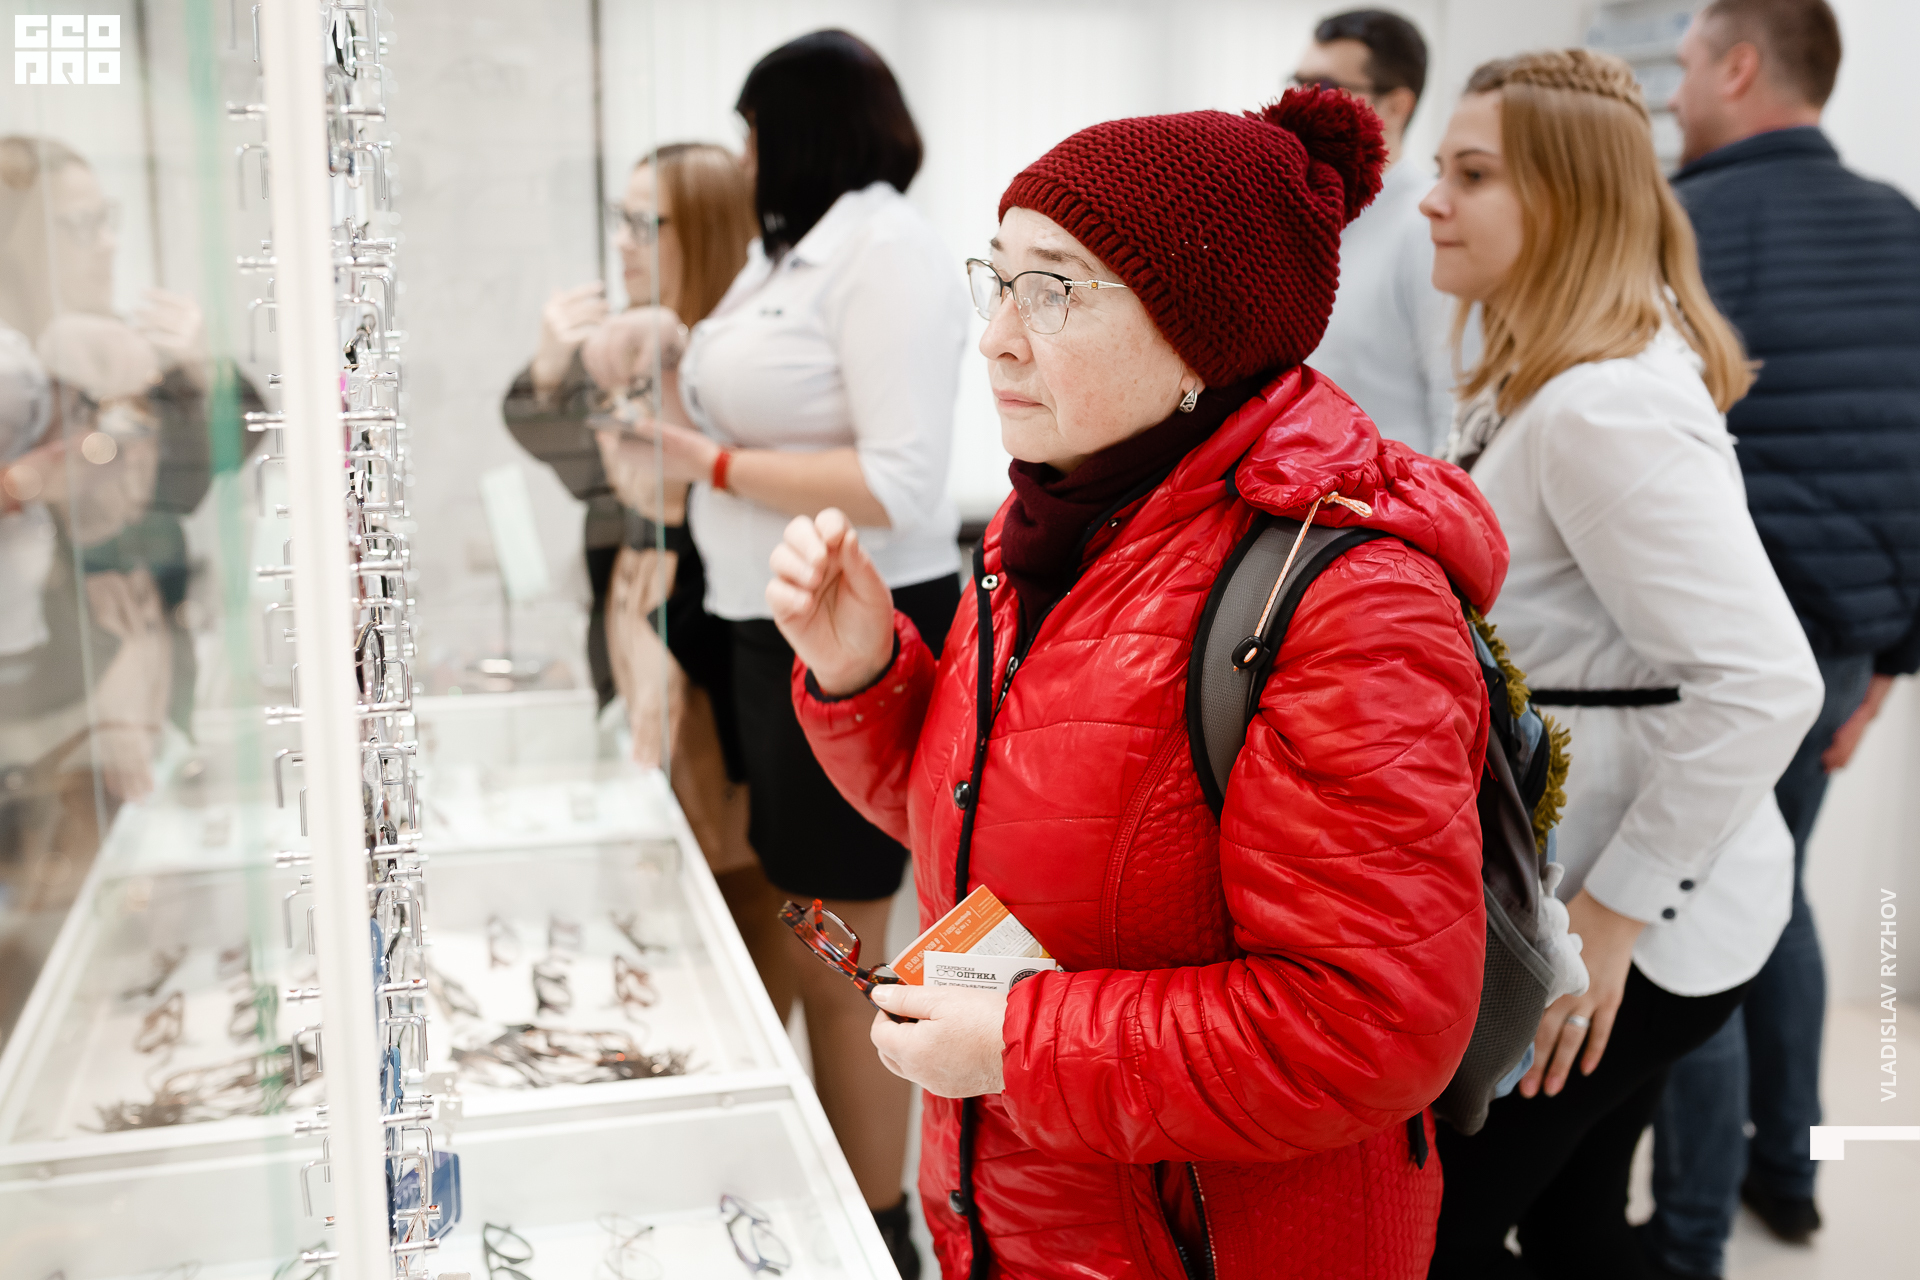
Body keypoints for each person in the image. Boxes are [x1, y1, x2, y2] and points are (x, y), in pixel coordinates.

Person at [767, 87, 1503, 1280]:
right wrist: (865, 672)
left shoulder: (1347, 601)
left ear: (1199, 341)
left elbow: (1370, 1022)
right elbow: (993, 828)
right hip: (1024, 1216)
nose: (997, 337)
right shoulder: (1053, 520)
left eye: (1054, 289)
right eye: (999, 278)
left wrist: (1016, 1043)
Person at [1417, 50, 1825, 1279]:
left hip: (1625, 923)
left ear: (1567, 199)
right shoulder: (1548, 378)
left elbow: (1768, 683)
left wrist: (1608, 916)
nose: (1431, 200)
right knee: (1579, 1226)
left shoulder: (1602, 407)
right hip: (1596, 901)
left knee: (1436, 1233)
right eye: (1440, 169)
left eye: (1470, 175)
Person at [602, 31, 966, 1276]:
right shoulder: (790, 257)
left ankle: (882, 1223)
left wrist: (705, 460)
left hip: (851, 627)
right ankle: (834, 1198)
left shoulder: (885, 249)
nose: (746, 156)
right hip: (761, 623)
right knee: (800, 910)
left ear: (798, 129)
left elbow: (900, 478)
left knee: (838, 927)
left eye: (754, 132)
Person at [1645, 3, 1920, 1273]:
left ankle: (1688, 1233)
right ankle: (1790, 1171)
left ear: (1741, 66)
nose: (1677, 91)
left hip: (1717, 647)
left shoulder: (1681, 221)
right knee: (1779, 889)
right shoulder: (1902, 226)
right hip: (1846, 642)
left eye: (1688, 64)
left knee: (1694, 905)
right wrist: (1891, 663)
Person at [498, 143, 796, 1016]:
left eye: (644, 223)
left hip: (712, 640)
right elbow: (570, 462)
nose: (623, 242)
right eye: (619, 220)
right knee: (663, 869)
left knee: (732, 873)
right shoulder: (633, 347)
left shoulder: (737, 361)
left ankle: (739, 1042)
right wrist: (551, 366)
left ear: (700, 229)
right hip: (640, 620)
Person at [0, 135, 258, 1046]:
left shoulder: (105, 353)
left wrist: (194, 372)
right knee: (52, 968)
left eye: (106, 220)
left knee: (127, 961)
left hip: (138, 693)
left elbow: (216, 457)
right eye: (80, 227)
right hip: (49, 718)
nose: (107, 243)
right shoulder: (25, 371)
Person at [1295, 9, 1459, 453]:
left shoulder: (1431, 225)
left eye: (1324, 88)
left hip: (1389, 490)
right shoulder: (1299, 218)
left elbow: (1454, 405)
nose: (1303, 104)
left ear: (1396, 105)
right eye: (1298, 83)